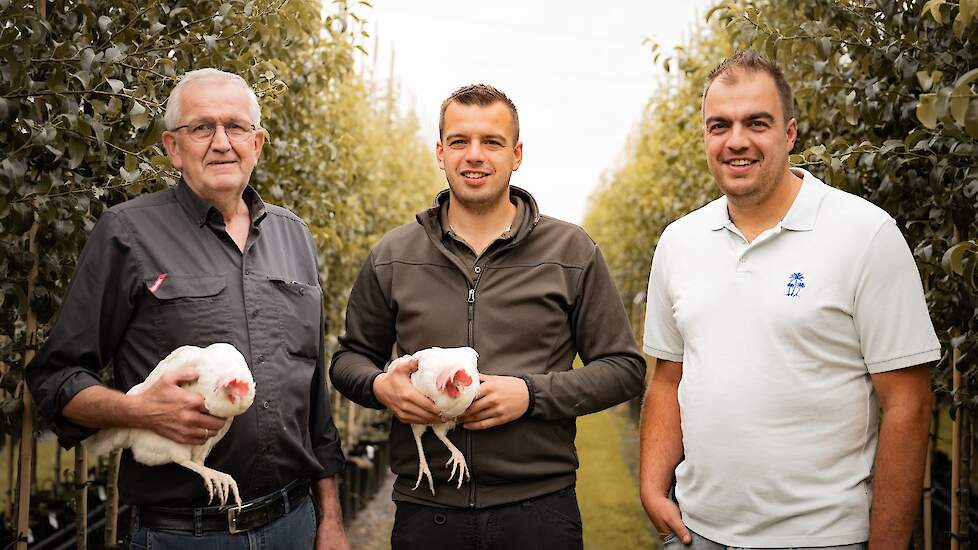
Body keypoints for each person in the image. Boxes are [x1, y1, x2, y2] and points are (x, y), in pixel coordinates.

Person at [25, 68, 350, 550]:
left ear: (257, 143)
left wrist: (331, 519)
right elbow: (55, 378)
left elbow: (314, 397)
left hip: (293, 524)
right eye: (202, 128)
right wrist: (137, 410)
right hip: (183, 535)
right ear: (173, 148)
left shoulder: (293, 236)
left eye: (235, 126)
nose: (222, 143)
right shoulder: (128, 233)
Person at [640, 50, 939, 549]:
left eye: (757, 123)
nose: (737, 141)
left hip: (821, 537)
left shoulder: (865, 234)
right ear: (705, 137)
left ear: (790, 133)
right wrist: (652, 488)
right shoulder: (678, 242)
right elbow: (669, 377)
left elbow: (908, 401)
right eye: (720, 126)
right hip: (697, 534)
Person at [329, 83, 645, 549]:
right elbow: (349, 359)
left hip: (538, 512)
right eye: (459, 141)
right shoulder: (394, 255)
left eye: (491, 142)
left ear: (516, 155)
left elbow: (624, 369)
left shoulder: (570, 252)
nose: (474, 155)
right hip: (427, 512)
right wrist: (382, 387)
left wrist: (530, 395)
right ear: (441, 152)